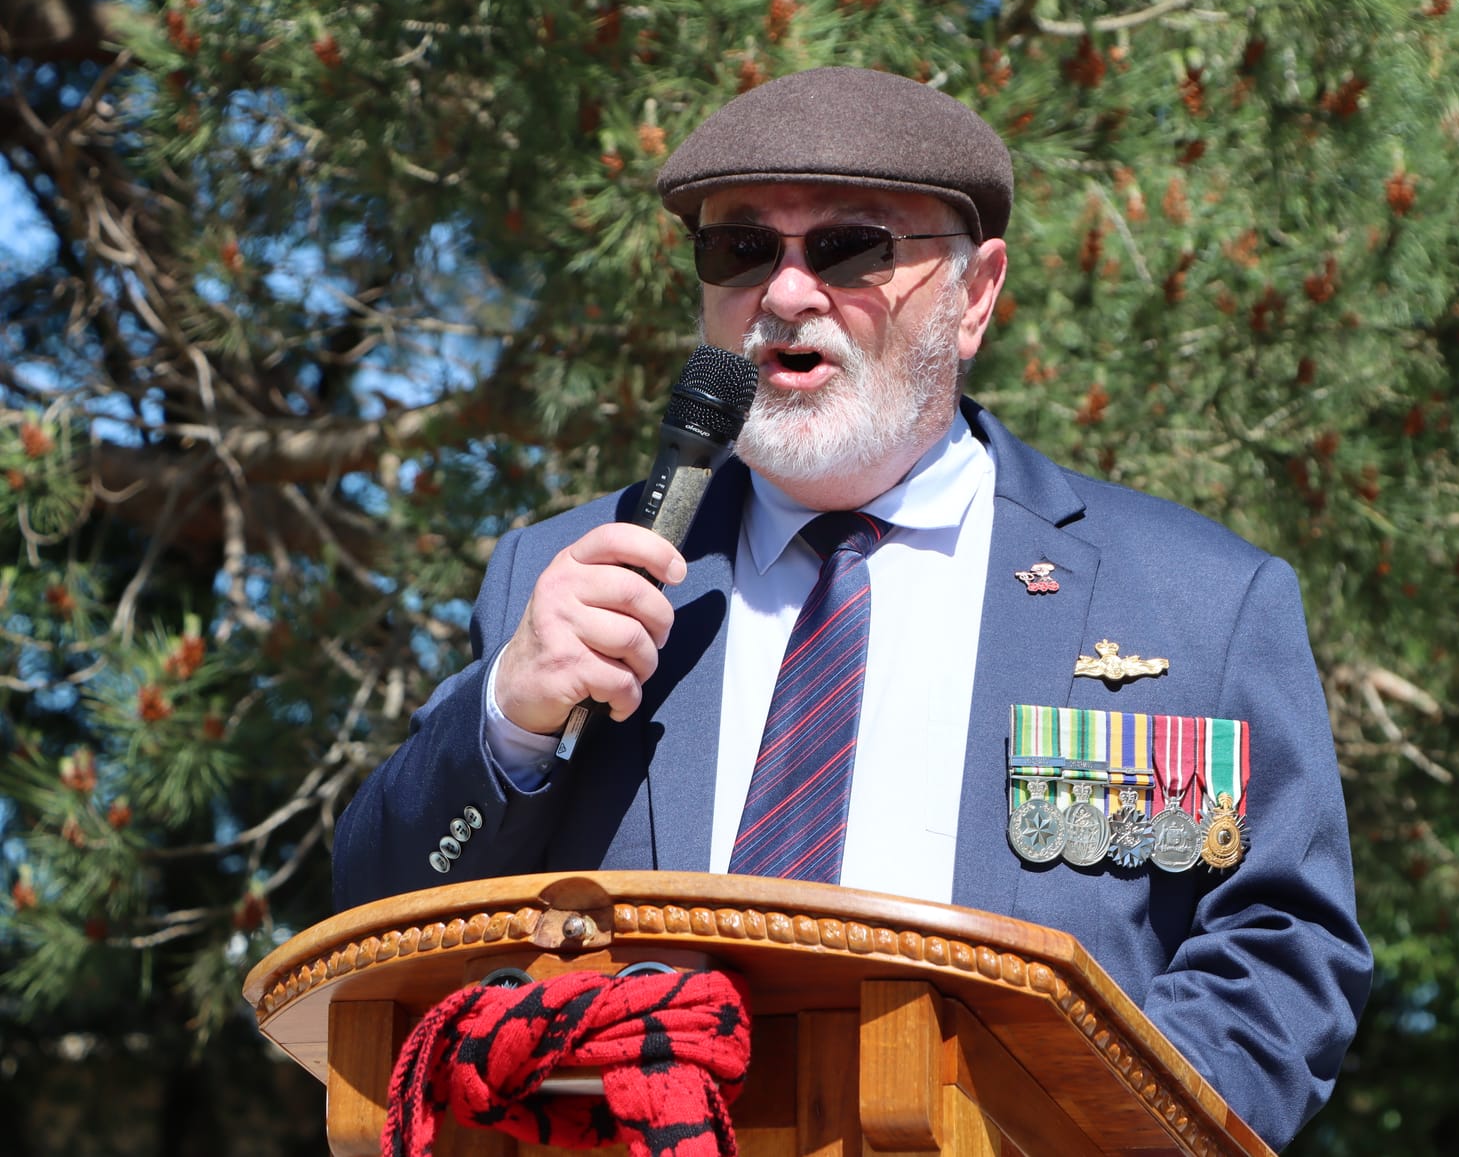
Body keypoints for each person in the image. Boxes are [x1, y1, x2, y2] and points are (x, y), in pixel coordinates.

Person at [333, 66, 1370, 1147]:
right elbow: (375, 917)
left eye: (848, 247)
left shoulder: (1192, 602)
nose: (785, 294)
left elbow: (1278, 950)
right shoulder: (572, 579)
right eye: (741, 251)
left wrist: (1100, 1135)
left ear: (973, 295)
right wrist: (504, 717)